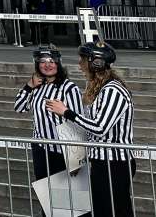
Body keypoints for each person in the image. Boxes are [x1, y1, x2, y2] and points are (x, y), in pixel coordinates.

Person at [46, 42, 135, 217]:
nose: (79, 64)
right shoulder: (99, 89)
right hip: (100, 161)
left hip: (114, 163)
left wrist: (66, 112)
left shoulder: (113, 90)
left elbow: (100, 127)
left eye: (83, 59)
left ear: (96, 63)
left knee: (116, 209)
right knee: (102, 209)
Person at [13, 45, 84, 182]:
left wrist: (77, 158)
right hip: (40, 148)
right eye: (43, 61)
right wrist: (29, 86)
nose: (47, 65)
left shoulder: (69, 88)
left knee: (66, 191)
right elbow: (19, 107)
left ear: (58, 63)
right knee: (45, 191)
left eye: (51, 61)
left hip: (61, 151)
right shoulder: (37, 87)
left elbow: (78, 122)